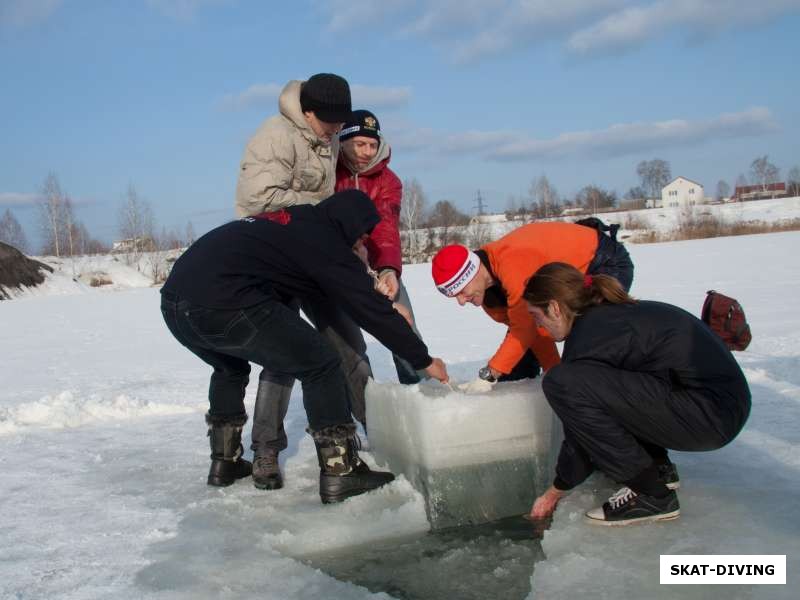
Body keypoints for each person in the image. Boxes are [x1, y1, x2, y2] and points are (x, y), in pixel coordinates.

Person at [160, 190, 449, 504]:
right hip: (223, 302)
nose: (362, 244)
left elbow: (340, 287)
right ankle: (341, 471)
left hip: (175, 305)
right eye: (362, 236)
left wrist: (374, 292)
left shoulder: (297, 223)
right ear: (348, 224)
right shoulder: (324, 241)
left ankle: (225, 462)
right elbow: (367, 310)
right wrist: (424, 359)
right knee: (321, 363)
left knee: (229, 367)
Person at [524, 262, 750, 525]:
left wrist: (555, 490)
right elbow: (627, 396)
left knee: (561, 381)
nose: (539, 327)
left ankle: (652, 494)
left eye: (536, 316)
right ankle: (659, 469)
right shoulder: (608, 316)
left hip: (711, 415)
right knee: (596, 385)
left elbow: (582, 437)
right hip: (724, 406)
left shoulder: (591, 335)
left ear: (554, 307)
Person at [234, 73, 375, 491]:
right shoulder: (274, 136)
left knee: (349, 342)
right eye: (329, 123)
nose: (336, 131)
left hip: (316, 257)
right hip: (276, 258)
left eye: (338, 123)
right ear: (307, 112)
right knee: (283, 355)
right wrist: (321, 213)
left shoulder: (325, 138)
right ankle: (265, 451)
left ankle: (376, 432)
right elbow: (256, 200)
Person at [430, 220, 633, 382]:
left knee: (588, 333)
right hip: (566, 280)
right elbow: (537, 330)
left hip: (603, 262)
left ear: (472, 272)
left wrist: (491, 373)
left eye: (461, 291)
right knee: (521, 362)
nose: (461, 302)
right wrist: (554, 371)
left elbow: (525, 329)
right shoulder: (489, 297)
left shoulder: (512, 262)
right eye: (454, 296)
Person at [336, 109, 426, 384]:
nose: (367, 151)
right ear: (343, 141)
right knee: (347, 343)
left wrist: (388, 269)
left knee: (403, 327)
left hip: (376, 265)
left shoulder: (389, 180)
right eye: (360, 144)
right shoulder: (328, 172)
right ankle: (366, 411)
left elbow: (385, 226)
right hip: (337, 268)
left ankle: (422, 393)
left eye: (373, 144)